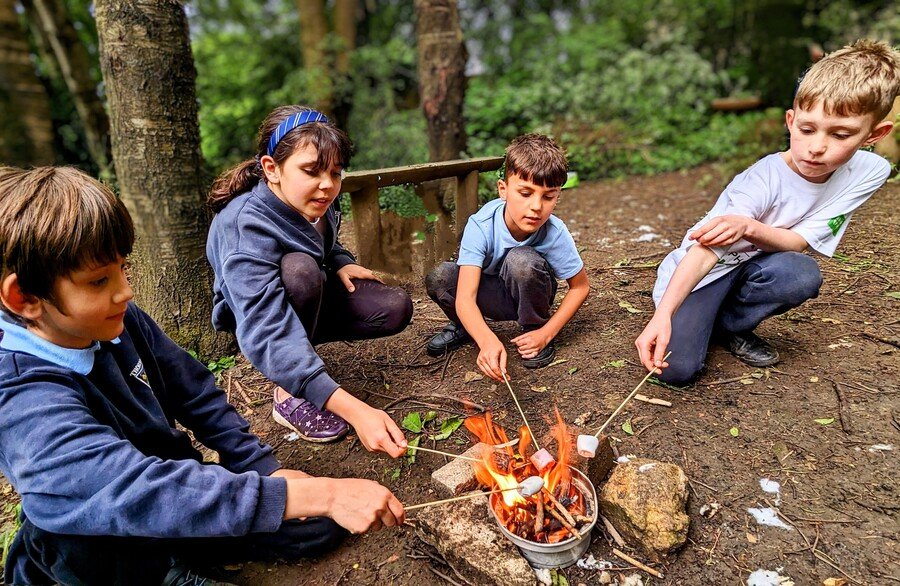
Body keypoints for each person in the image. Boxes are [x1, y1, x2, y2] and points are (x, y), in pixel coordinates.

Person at [0, 167, 405, 585]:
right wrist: (323, 493)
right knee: (80, 539)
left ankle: (188, 546)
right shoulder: (20, 396)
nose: (125, 292)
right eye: (99, 280)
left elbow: (193, 390)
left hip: (176, 488)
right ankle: (165, 573)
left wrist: (262, 470)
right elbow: (134, 488)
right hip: (111, 532)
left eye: (123, 268)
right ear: (25, 297)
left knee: (315, 525)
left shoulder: (114, 320)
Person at [635, 39, 899, 385]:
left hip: (759, 267)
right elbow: (705, 252)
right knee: (676, 371)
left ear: (873, 134)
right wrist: (664, 315)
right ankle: (699, 316)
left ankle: (731, 325)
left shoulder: (871, 171)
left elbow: (796, 242)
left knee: (800, 273)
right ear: (790, 121)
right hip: (705, 273)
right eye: (806, 129)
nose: (817, 147)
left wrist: (747, 228)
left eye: (840, 135)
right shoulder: (761, 180)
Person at [207, 105, 412, 452]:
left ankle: (300, 360)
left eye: (336, 172)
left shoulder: (318, 197)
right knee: (300, 271)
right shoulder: (244, 226)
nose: (327, 185)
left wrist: (341, 260)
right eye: (311, 171)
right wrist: (357, 411)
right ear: (271, 169)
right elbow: (266, 326)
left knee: (395, 307)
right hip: (260, 315)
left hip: (310, 288)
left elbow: (322, 243)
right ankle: (289, 394)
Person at [425, 134, 590, 381]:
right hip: (490, 293)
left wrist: (547, 333)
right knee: (441, 276)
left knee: (521, 260)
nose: (536, 206)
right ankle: (464, 326)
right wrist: (487, 340)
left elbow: (580, 287)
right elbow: (465, 297)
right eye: (525, 193)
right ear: (503, 189)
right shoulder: (481, 225)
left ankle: (533, 328)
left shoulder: (554, 232)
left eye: (548, 196)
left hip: (529, 292)